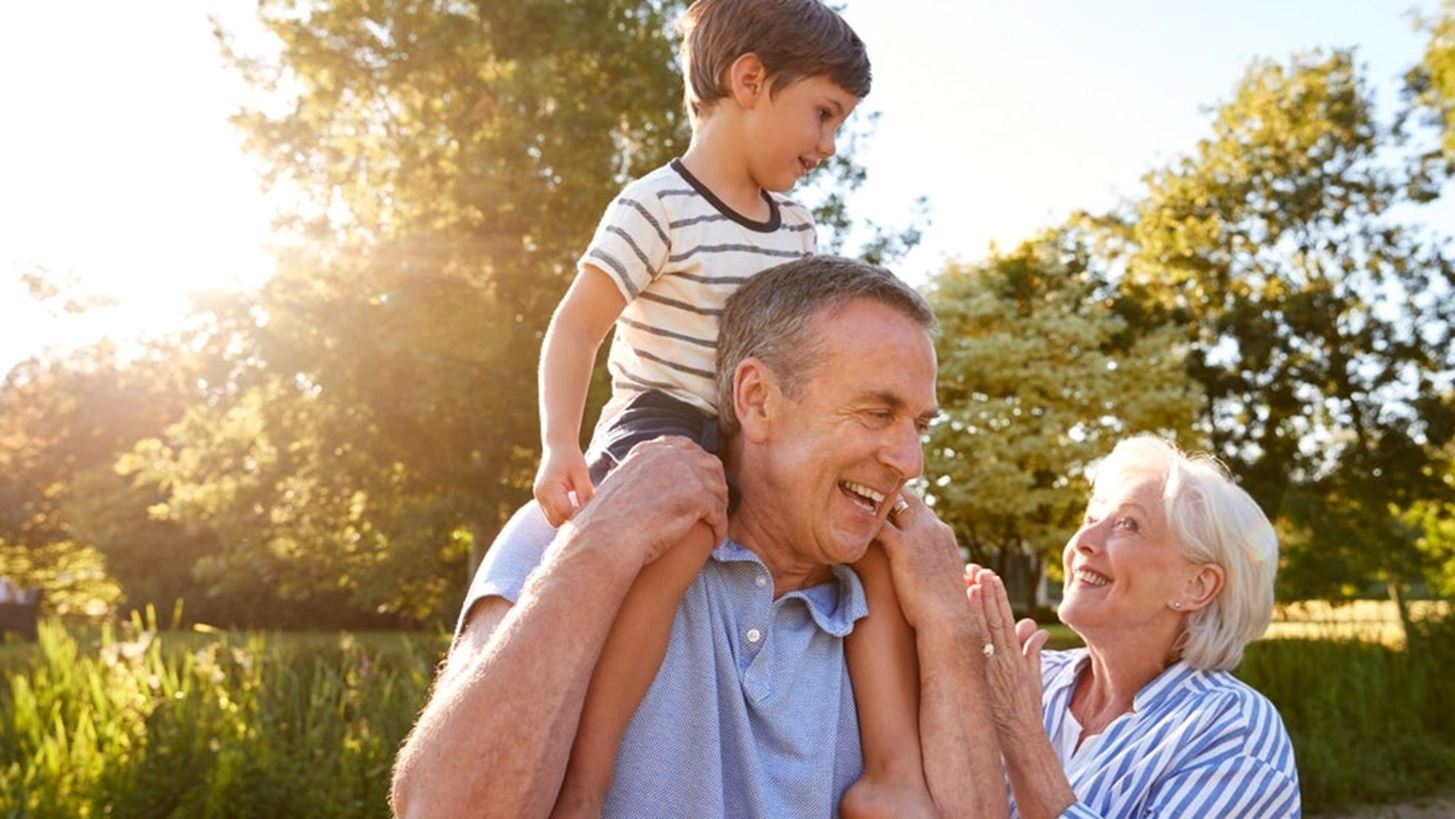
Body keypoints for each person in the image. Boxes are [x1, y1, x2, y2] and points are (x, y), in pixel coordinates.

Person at [474, 0, 921, 815]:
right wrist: (556, 445)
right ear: (749, 81)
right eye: (822, 115)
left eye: (840, 124)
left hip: (750, 427)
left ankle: (894, 768)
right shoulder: (656, 206)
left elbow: (808, 352)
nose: (828, 145)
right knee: (682, 537)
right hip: (663, 420)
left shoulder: (793, 226)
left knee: (888, 535)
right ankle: (587, 776)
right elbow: (574, 329)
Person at [390, 256, 1008, 818]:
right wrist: (600, 546)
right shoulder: (578, 529)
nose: (911, 460)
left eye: (918, 426)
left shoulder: (900, 604)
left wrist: (951, 624)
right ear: (757, 401)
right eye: (877, 413)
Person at [965, 435, 1302, 818]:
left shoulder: (1234, 730)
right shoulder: (1027, 679)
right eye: (1091, 518)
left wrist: (1020, 731)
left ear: (1196, 585)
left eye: (1128, 525)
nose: (1083, 541)